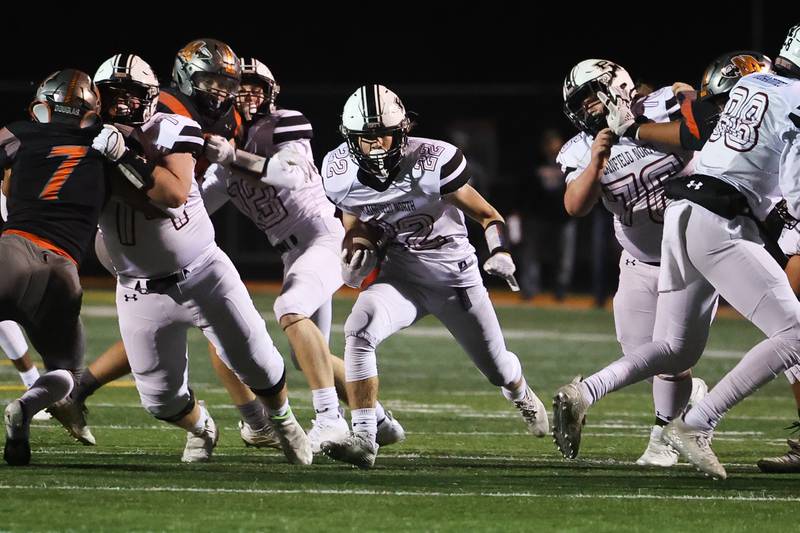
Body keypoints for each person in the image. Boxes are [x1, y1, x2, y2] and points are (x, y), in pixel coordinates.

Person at [91, 53, 311, 464]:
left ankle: (282, 420)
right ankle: (200, 425)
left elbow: (171, 197)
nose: (123, 105)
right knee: (160, 400)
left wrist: (122, 157)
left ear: (152, 96)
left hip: (202, 273)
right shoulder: (86, 140)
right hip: (138, 287)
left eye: (132, 95)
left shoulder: (173, 127)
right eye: (113, 96)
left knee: (259, 364)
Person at [320, 85, 549, 469]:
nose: (376, 146)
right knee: (358, 330)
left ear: (403, 130)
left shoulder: (432, 159)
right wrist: (355, 246)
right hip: (401, 275)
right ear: (350, 138)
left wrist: (500, 251)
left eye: (383, 135)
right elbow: (354, 218)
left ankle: (520, 391)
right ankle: (364, 437)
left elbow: (489, 215)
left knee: (497, 368)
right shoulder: (338, 172)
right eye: (366, 138)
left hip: (452, 276)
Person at [202, 57, 405, 452]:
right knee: (307, 355)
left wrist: (232, 158)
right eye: (239, 88)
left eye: (255, 88)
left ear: (270, 93)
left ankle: (329, 419)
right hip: (293, 255)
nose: (247, 96)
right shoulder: (224, 157)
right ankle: (378, 419)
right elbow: (192, 207)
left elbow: (289, 173)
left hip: (324, 239)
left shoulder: (282, 123)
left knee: (290, 308)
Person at [555, 59, 708, 466]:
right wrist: (596, 164)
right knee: (642, 355)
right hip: (640, 261)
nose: (586, 106)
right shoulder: (580, 147)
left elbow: (701, 130)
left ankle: (662, 440)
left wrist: (650, 119)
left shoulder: (665, 105)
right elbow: (575, 205)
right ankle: (687, 399)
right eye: (579, 101)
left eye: (591, 95)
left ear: (617, 85)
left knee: (668, 357)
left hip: (693, 257)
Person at [2, 70, 107, 465]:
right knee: (67, 375)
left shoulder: (20, 134)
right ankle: (25, 409)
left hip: (14, 252)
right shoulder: (105, 145)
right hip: (63, 272)